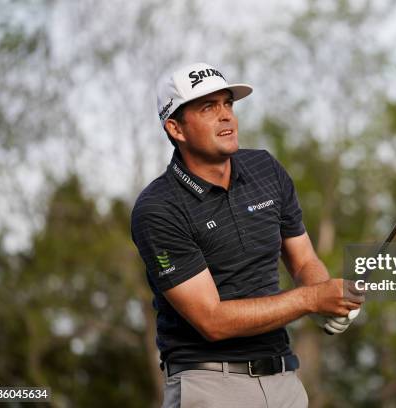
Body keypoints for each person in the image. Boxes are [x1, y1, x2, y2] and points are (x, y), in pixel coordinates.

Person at [131, 62, 363, 408]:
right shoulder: (159, 208)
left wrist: (326, 302)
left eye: (228, 104)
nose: (226, 116)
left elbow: (304, 260)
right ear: (176, 128)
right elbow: (212, 320)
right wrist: (311, 300)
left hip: (285, 381)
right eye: (208, 107)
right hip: (209, 384)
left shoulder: (265, 169)